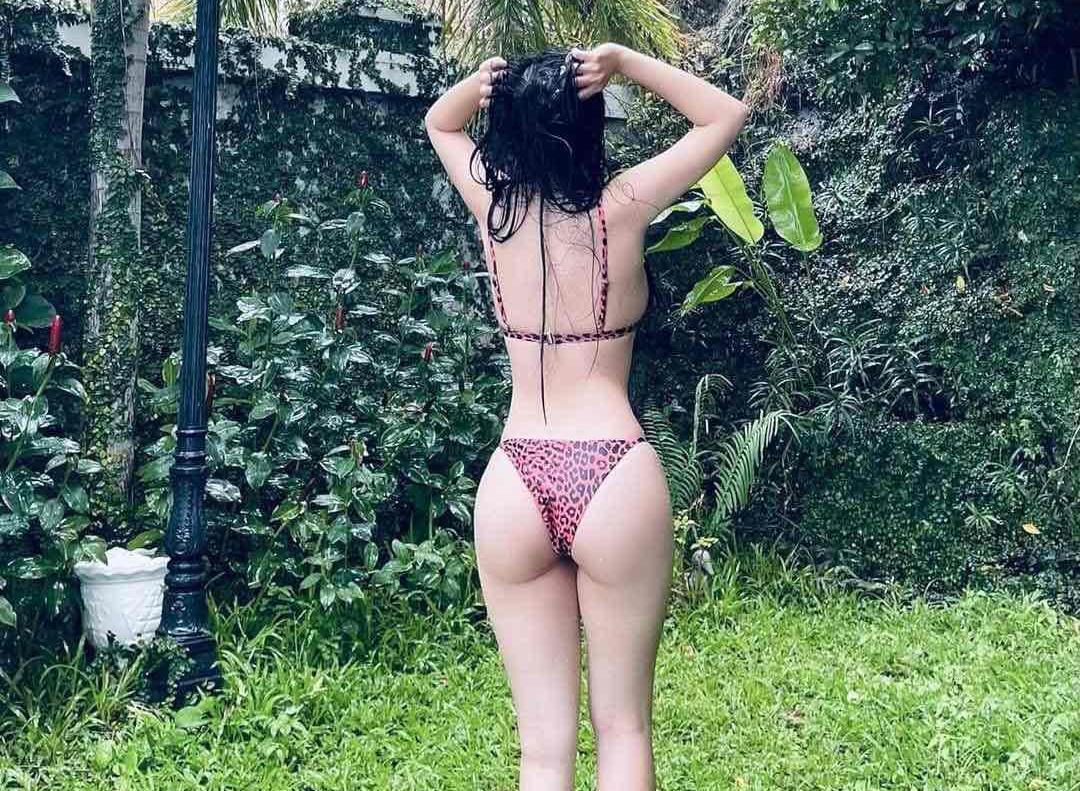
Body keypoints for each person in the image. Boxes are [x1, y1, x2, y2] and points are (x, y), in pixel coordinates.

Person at [424, 42, 748, 791]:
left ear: (508, 126)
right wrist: (626, 63)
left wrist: (481, 85)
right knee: (623, 726)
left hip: (516, 476)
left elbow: (440, 124)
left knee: (542, 751)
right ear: (589, 124)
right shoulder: (622, 207)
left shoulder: (495, 212)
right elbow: (724, 115)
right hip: (611, 470)